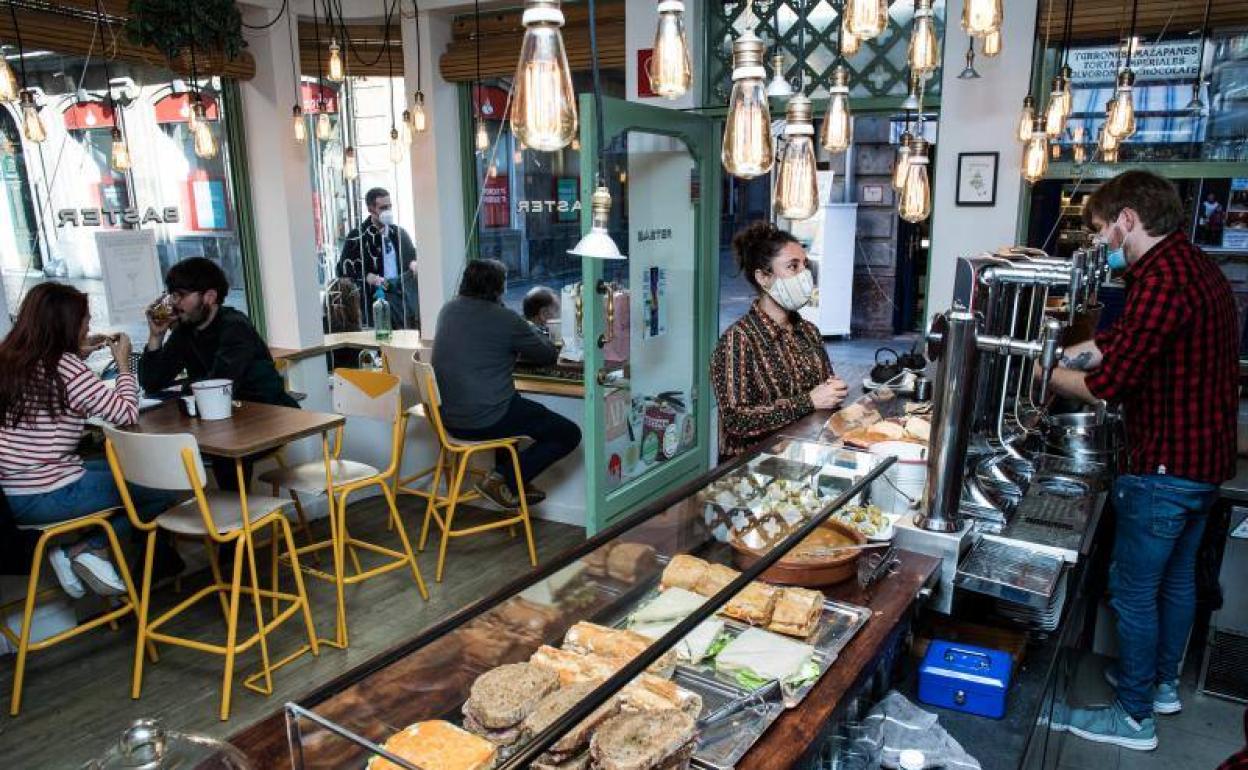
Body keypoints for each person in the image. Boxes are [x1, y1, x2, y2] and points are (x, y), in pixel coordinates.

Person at [1044, 171, 1238, 751]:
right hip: (1203, 462)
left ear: (1128, 218)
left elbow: (1111, 381)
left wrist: (1044, 373)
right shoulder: (1190, 265)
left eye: (1104, 230)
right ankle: (1158, 686)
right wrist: (1065, 350)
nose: (1104, 244)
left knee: (1132, 593)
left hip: (1165, 466)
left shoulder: (1163, 279)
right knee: (1175, 584)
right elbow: (1124, 342)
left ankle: (1132, 718)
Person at [0, 283, 175, 597]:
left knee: (114, 469)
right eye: (85, 321)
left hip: (12, 494)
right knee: (161, 486)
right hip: (50, 492)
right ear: (66, 325)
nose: (89, 326)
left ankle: (80, 552)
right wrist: (124, 364)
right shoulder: (66, 368)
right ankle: (83, 549)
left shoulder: (10, 360)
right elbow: (125, 414)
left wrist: (76, 352)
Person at [431, 260, 581, 509]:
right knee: (568, 433)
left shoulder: (448, 310)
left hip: (448, 420)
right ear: (498, 289)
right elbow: (546, 355)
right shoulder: (504, 318)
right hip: (485, 419)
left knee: (514, 402)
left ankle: (509, 481)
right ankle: (506, 479)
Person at [140, 257, 297, 488]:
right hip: (222, 417)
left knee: (225, 450)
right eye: (171, 295)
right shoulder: (185, 329)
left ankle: (237, 518)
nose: (174, 303)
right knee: (189, 448)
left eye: (180, 295)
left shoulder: (234, 326)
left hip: (267, 414)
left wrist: (187, 388)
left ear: (209, 297)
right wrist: (156, 337)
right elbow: (152, 382)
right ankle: (231, 518)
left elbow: (218, 385)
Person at [711, 222, 848, 459]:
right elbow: (736, 420)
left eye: (805, 266)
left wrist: (833, 391)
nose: (804, 275)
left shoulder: (809, 331)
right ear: (764, 277)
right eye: (792, 267)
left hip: (805, 456)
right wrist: (809, 401)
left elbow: (824, 390)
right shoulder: (738, 340)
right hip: (753, 472)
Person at [337, 187, 420, 329]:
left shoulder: (399, 234)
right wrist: (367, 276)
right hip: (375, 300)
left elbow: (411, 256)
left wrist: (413, 263)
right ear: (370, 209)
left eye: (390, 206)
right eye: (383, 208)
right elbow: (344, 271)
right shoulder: (357, 237)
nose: (388, 211)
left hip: (401, 297)